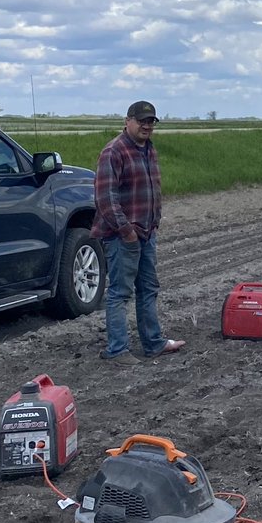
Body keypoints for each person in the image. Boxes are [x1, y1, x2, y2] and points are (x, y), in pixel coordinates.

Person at [91, 100, 185, 365]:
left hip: (147, 232)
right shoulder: (114, 151)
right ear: (127, 121)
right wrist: (126, 231)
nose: (146, 125)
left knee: (148, 288)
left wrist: (153, 223)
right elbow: (105, 199)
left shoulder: (149, 150)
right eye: (142, 120)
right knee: (119, 292)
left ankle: (153, 343)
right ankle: (117, 350)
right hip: (123, 236)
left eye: (151, 121)